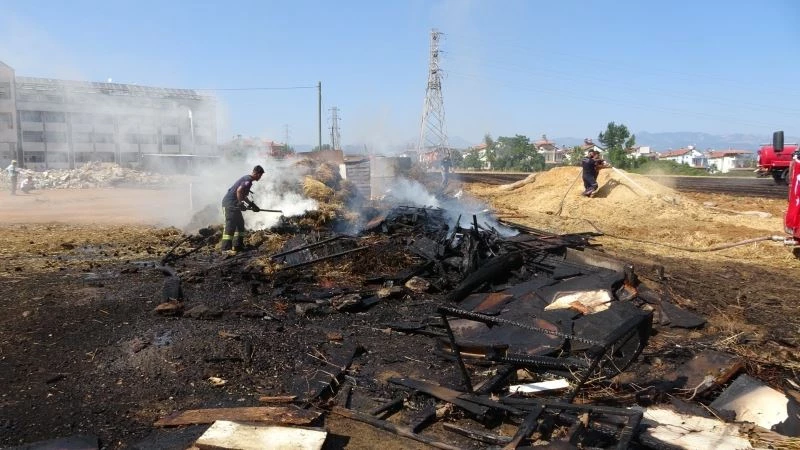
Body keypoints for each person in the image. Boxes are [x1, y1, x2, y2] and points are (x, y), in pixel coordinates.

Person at [220, 165, 264, 252]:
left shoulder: (248, 180)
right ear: (256, 173)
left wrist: (252, 205)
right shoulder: (248, 180)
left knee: (240, 224)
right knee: (230, 225)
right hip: (230, 204)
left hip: (235, 205)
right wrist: (240, 203)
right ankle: (225, 249)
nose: (260, 177)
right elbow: (239, 191)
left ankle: (237, 245)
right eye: (260, 175)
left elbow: (243, 195)